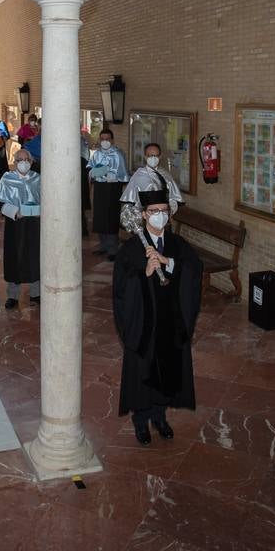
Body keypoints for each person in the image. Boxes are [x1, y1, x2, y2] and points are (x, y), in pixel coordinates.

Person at [113, 189, 202, 446]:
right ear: (143, 215)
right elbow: (120, 289)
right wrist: (145, 273)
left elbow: (194, 270)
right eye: (154, 212)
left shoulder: (177, 245)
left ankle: (159, 417)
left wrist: (168, 262)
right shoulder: (131, 250)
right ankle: (141, 421)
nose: (159, 216)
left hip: (171, 321)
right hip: (144, 325)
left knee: (167, 370)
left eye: (164, 211)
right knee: (144, 371)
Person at [0, 148, 42, 309]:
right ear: (15, 162)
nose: (23, 163)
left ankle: (36, 293)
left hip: (34, 225)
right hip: (15, 225)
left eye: (26, 159)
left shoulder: (38, 179)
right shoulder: (7, 178)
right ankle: (13, 295)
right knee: (14, 258)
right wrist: (14, 211)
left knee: (35, 257)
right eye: (19, 160)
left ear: (31, 161)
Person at [88, 128, 129, 259]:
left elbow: (122, 173)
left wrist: (114, 176)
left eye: (107, 139)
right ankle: (103, 245)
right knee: (99, 216)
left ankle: (113, 249)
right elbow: (90, 167)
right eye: (102, 139)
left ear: (112, 140)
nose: (105, 141)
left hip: (113, 188)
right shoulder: (97, 154)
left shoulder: (118, 154)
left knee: (110, 216)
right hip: (100, 187)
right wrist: (93, 173)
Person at [121, 142, 183, 214]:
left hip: (162, 216)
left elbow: (173, 198)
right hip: (143, 217)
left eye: (156, 156)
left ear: (160, 156)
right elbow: (130, 202)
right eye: (150, 156)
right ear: (145, 157)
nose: (153, 158)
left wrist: (168, 212)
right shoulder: (138, 176)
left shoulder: (166, 175)